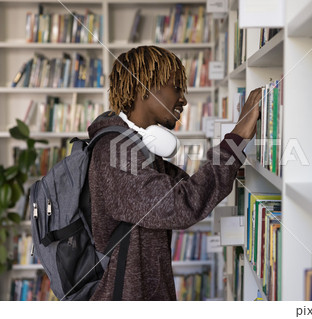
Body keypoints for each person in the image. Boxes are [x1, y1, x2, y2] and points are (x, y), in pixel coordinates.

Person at [87, 45, 262, 300]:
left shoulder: (137, 147)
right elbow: (181, 206)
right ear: (143, 88)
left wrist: (236, 163)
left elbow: (190, 188)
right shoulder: (116, 153)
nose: (183, 99)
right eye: (176, 87)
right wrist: (236, 139)